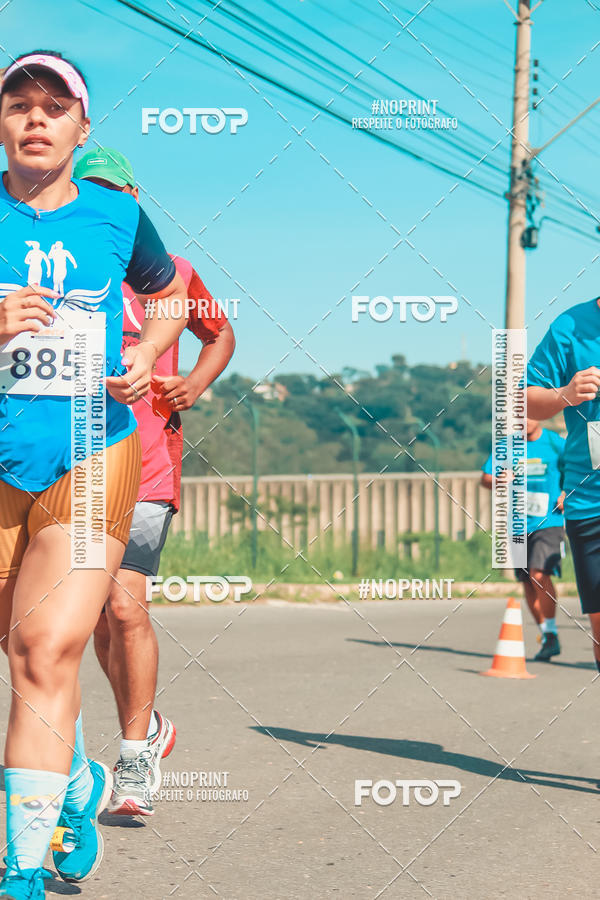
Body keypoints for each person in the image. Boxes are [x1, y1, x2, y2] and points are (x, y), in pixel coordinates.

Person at [0, 50, 189, 899]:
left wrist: (148, 349)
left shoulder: (116, 216)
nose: (35, 118)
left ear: (81, 127)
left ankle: (22, 871)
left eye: (54, 106)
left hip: (92, 448)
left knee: (46, 647)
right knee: (15, 645)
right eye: (18, 105)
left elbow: (174, 293)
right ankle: (73, 783)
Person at [72, 147, 235, 816]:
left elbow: (219, 334)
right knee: (94, 625)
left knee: (122, 608)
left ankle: (135, 759)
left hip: (146, 467)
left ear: (134, 196)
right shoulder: (75, 264)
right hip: (75, 465)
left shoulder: (178, 273)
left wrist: (192, 384)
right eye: (94, 190)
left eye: (115, 190)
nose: (106, 199)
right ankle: (152, 723)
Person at [526, 296, 600, 675]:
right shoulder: (570, 326)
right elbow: (525, 401)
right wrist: (565, 394)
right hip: (591, 499)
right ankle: (549, 632)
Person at [481, 418, 566, 660]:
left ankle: (550, 631)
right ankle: (548, 635)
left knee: (540, 573)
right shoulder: (507, 446)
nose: (526, 420)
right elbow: (485, 478)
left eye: (531, 414)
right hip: (518, 523)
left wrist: (565, 493)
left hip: (549, 520)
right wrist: (499, 479)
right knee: (527, 580)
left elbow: (576, 471)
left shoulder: (555, 442)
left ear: (540, 415)